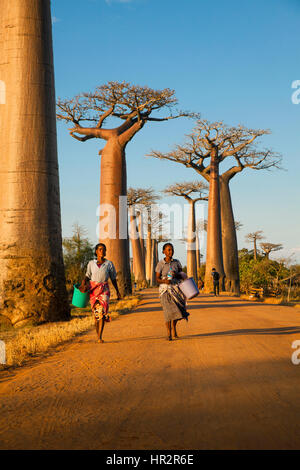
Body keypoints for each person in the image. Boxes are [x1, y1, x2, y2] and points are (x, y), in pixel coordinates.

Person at [80, 243, 121, 343]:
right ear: (96, 251)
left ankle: (100, 337)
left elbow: (113, 278)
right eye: (99, 249)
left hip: (104, 290)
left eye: (103, 249)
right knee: (96, 314)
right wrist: (83, 283)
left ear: (105, 252)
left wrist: (117, 291)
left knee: (102, 312)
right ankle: (97, 334)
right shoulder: (91, 263)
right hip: (93, 290)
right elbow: (87, 275)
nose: (101, 251)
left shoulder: (109, 264)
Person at [155, 243, 189, 341]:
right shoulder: (160, 264)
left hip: (175, 289)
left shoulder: (177, 262)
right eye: (168, 250)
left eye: (172, 249)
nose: (171, 252)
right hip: (164, 290)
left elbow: (182, 275)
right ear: (164, 252)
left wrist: (176, 274)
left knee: (176, 311)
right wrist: (164, 281)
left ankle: (174, 328)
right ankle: (169, 333)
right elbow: (157, 279)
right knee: (167, 312)